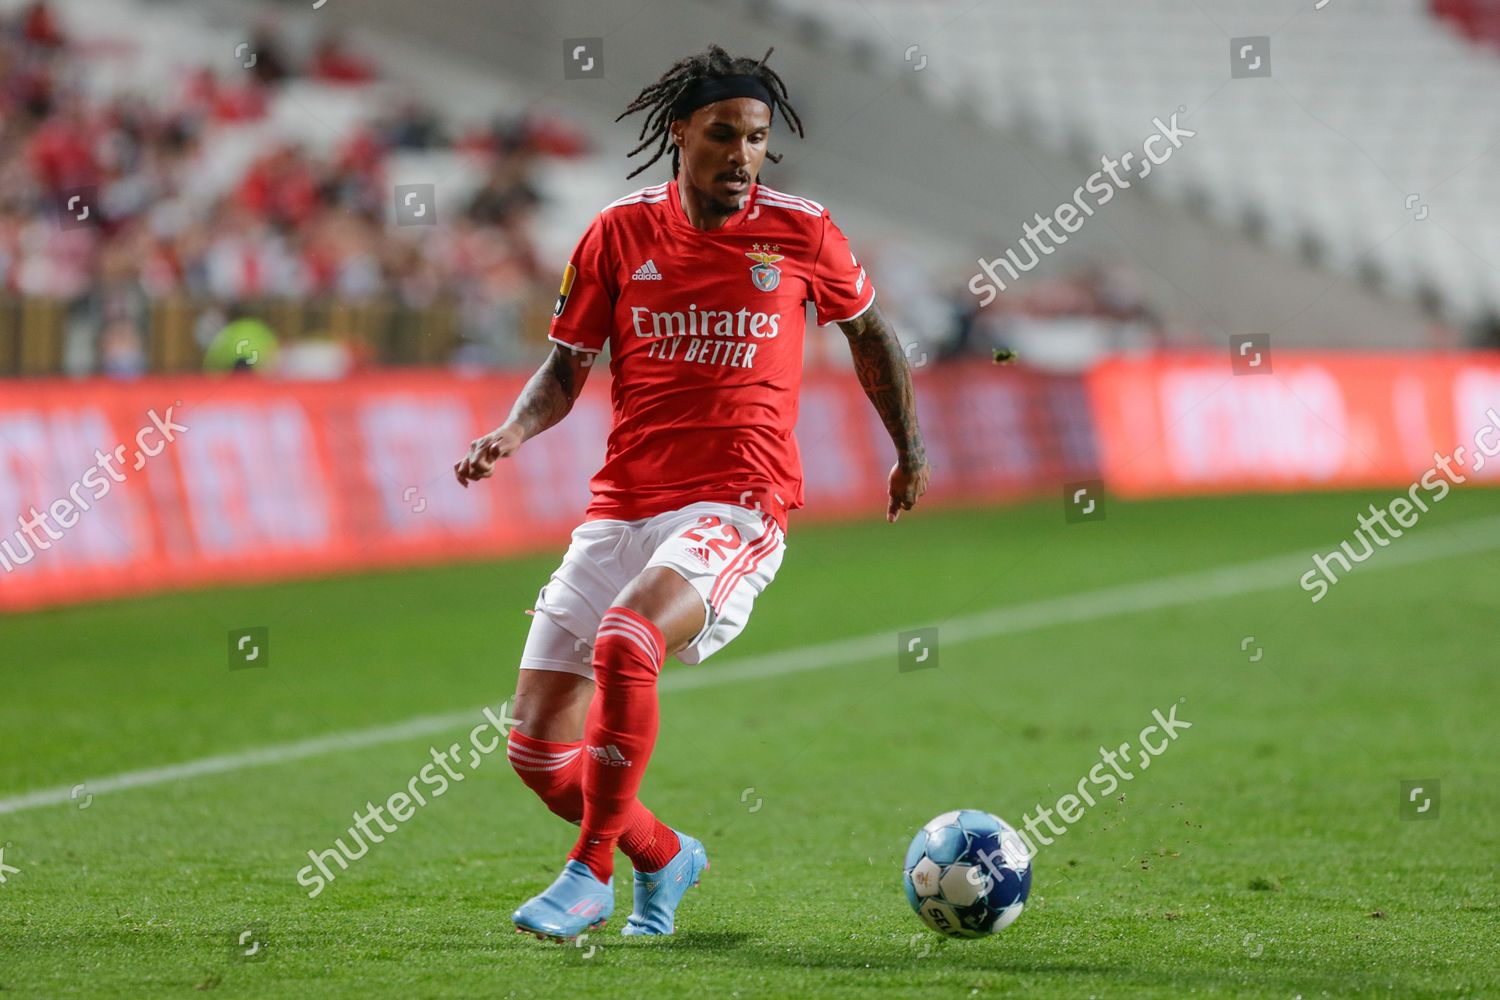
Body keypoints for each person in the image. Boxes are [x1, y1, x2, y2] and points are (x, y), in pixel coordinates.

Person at [454, 44, 929, 941]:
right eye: (724, 134)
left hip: (738, 501)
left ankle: (588, 873)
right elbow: (566, 365)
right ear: (681, 134)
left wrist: (907, 445)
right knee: (536, 751)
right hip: (623, 504)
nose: (743, 154)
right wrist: (511, 433)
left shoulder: (803, 230)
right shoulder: (616, 233)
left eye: (756, 138)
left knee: (630, 642)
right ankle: (664, 853)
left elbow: (873, 337)